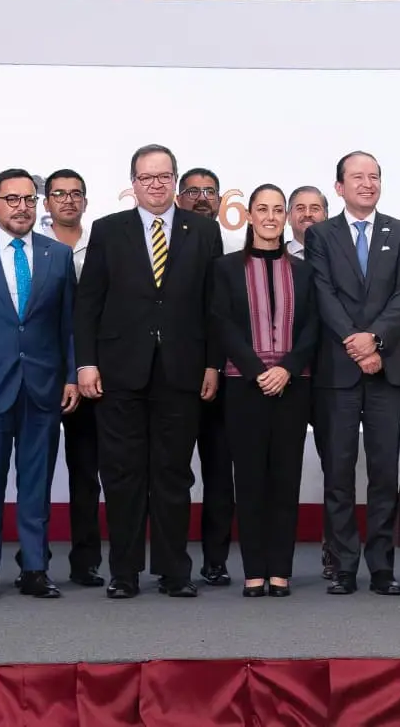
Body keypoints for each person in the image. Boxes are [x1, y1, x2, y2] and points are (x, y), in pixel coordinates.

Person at [75, 144, 223, 599]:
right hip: (119, 372)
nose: (156, 185)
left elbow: (215, 306)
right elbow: (89, 303)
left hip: (183, 370)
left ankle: (174, 571)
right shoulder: (107, 230)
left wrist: (213, 363)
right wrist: (86, 362)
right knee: (122, 474)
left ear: (175, 182)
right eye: (147, 177)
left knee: (173, 474)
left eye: (164, 176)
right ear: (133, 183)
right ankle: (124, 572)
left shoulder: (203, 230)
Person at [0, 168, 79, 602]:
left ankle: (35, 568)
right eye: (12, 199)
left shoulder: (57, 255)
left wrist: (71, 375)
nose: (22, 207)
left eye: (29, 199)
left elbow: (69, 325)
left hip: (43, 386)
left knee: (37, 483)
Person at [306, 151, 400, 597]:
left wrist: (375, 339)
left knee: (384, 473)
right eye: (357, 177)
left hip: (386, 368)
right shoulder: (320, 234)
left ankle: (382, 566)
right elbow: (323, 293)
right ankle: (343, 566)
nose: (367, 184)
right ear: (339, 187)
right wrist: (356, 344)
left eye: (374, 176)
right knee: (337, 472)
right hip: (337, 370)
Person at [211, 185, 318, 597]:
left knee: (285, 479)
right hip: (244, 385)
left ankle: (280, 570)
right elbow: (222, 323)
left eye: (277, 210)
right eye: (262, 209)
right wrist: (258, 371)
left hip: (293, 385)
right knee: (250, 480)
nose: (270, 217)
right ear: (249, 216)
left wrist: (286, 369)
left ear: (286, 217)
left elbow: (313, 327)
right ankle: (254, 570)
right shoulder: (225, 268)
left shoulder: (305, 271)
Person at [41, 168, 102, 586]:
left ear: (85, 201)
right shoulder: (33, 248)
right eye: (59, 194)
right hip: (43, 373)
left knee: (86, 473)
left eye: (75, 193)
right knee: (37, 474)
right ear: (47, 202)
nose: (68, 200)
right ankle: (35, 562)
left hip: (90, 374)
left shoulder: (102, 245)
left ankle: (86, 562)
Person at [177, 167, 234, 587]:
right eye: (193, 190)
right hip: (176, 376)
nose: (201, 197)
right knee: (173, 473)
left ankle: (216, 560)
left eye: (209, 191)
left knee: (219, 473)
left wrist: (215, 364)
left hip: (226, 378)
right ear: (179, 197)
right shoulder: (162, 248)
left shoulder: (237, 250)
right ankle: (173, 561)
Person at [286, 184, 335, 580]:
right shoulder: (272, 256)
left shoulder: (338, 255)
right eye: (299, 208)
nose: (307, 214)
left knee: (335, 465)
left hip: (330, 373)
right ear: (288, 216)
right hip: (284, 374)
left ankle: (334, 551)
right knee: (280, 466)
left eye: (315, 208)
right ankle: (275, 557)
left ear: (327, 214)